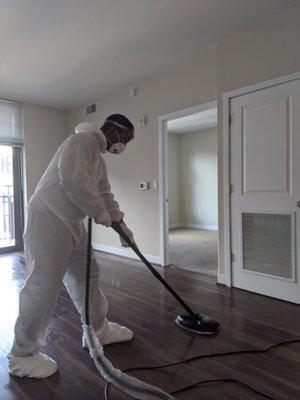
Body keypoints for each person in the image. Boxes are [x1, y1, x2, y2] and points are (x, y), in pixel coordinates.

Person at [8, 114, 136, 378]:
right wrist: (101, 215)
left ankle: (98, 329)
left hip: (72, 221)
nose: (124, 145)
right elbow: (72, 181)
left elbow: (104, 195)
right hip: (48, 217)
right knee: (44, 284)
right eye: (126, 139)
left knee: (87, 276)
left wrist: (121, 224)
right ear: (113, 130)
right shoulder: (82, 141)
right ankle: (23, 355)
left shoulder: (98, 160)